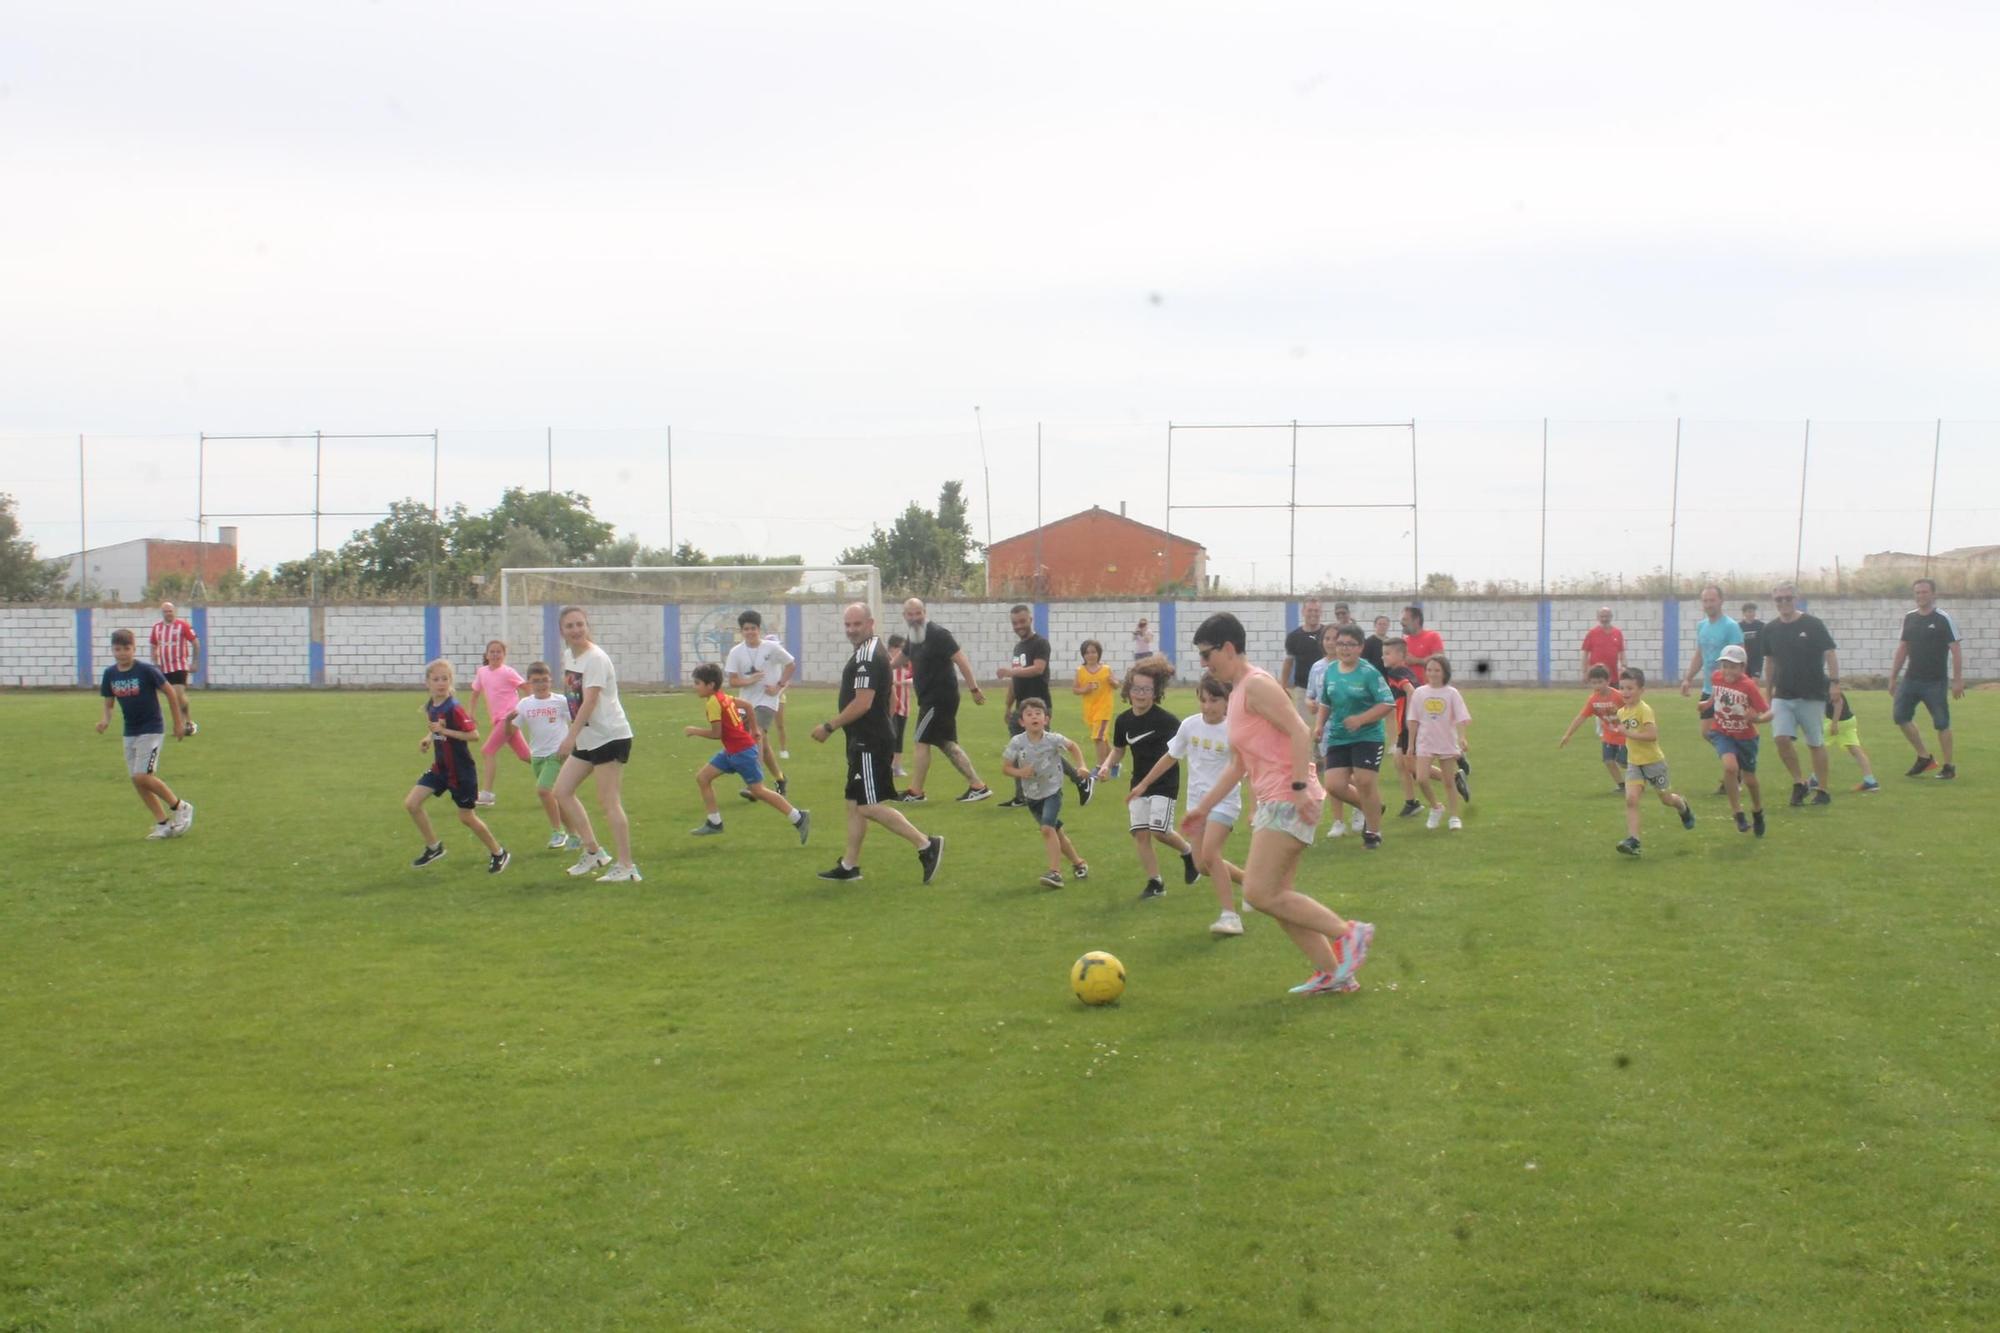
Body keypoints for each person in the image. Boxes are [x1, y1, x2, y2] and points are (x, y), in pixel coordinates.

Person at [1182, 612, 1374, 996]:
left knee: (1258, 892)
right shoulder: (1237, 693)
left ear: (1229, 648)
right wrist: (1204, 807)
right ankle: (1334, 975)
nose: (1205, 663)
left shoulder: (1256, 685)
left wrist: (1301, 788)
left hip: (1290, 797)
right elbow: (1239, 763)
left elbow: (1300, 731)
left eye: (1207, 654)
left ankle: (1349, 933)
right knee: (1277, 897)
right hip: (1274, 798)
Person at [812, 603, 945, 884]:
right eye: (847, 625)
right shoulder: (870, 651)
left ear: (870, 623)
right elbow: (889, 699)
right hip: (864, 739)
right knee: (854, 803)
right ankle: (850, 865)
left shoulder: (868, 657)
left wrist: (829, 726)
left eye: (856, 624)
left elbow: (862, 702)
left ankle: (926, 845)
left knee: (867, 806)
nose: (851, 630)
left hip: (868, 742)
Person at [1136, 673, 1248, 936]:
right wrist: (1143, 784)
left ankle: (1230, 916)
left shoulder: (1235, 730)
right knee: (1201, 866)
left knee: (1211, 854)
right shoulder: (1189, 725)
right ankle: (1251, 884)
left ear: (1227, 701)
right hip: (1197, 803)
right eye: (1203, 700)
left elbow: (1244, 768)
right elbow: (1170, 757)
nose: (1208, 706)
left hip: (1224, 802)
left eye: (1214, 700)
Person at [553, 606, 641, 882]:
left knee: (608, 801)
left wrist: (569, 737)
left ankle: (627, 867)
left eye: (580, 624)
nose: (576, 630)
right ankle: (594, 852)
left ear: (587, 626)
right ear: (562, 631)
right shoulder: (570, 655)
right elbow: (574, 698)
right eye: (570, 626)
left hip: (610, 736)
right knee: (562, 791)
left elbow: (590, 701)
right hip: (588, 737)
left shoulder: (596, 659)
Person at [1102, 655, 1200, 899]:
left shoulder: (1166, 721)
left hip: (1165, 783)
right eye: (1136, 688)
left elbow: (1176, 753)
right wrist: (1105, 766)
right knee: (1141, 833)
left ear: (1155, 692)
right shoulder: (1123, 720)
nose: (1141, 694)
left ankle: (1189, 853)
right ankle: (1155, 883)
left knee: (1159, 831)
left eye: (1147, 689)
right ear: (1128, 689)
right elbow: (1119, 749)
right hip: (1138, 783)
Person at [402, 658, 509, 873]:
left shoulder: (454, 708)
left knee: (466, 817)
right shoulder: (432, 705)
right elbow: (437, 727)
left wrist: (444, 733)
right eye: (436, 679)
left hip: (461, 772)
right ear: (428, 683)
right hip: (440, 768)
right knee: (412, 804)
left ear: (450, 681)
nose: (441, 683)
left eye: (445, 678)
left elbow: (474, 735)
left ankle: (499, 852)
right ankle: (434, 847)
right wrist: (429, 738)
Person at [686, 662, 810, 844]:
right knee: (703, 778)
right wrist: (754, 729)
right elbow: (748, 706)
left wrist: (694, 730)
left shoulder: (714, 702)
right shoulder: (723, 697)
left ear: (710, 685)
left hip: (742, 752)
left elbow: (716, 733)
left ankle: (798, 817)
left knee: (758, 790)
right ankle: (714, 822)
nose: (694, 687)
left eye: (697, 683)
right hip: (731, 751)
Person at [97, 627, 193, 839]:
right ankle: (162, 823)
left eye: (127, 648)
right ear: (112, 650)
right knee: (136, 779)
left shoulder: (146, 670)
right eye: (118, 649)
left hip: (151, 729)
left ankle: (180, 806)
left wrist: (178, 723)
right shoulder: (110, 674)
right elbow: (109, 702)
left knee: (142, 776)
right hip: (130, 731)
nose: (122, 653)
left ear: (134, 648)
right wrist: (105, 719)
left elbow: (170, 692)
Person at [897, 598, 993, 803]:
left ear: (925, 612)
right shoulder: (913, 637)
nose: (914, 618)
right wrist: (880, 669)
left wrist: (974, 688)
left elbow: (961, 659)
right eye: (910, 614)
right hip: (930, 699)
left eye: (918, 613)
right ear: (904, 616)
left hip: (939, 699)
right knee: (946, 743)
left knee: (921, 740)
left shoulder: (939, 634)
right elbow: (902, 659)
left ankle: (916, 792)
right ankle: (978, 786)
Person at [999, 603, 1090, 809]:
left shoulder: (1040, 644)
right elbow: (1015, 680)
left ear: (1030, 620)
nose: (1019, 626)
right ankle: (1021, 796)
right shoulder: (1018, 648)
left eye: (1022, 621)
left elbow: (1038, 669)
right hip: (1021, 708)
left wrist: (1011, 672)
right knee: (1018, 750)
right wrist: (1008, 705)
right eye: (1015, 623)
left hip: (1039, 707)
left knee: (1047, 751)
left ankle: (1080, 780)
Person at [1312, 624, 1394, 846]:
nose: (1344, 649)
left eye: (1350, 645)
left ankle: (1373, 833)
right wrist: (1319, 724)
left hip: (1368, 735)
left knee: (1364, 781)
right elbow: (1325, 702)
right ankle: (1373, 806)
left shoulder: (1368, 672)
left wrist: (1361, 719)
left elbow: (1387, 703)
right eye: (1340, 644)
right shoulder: (1331, 671)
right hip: (1339, 737)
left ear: (1360, 647)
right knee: (1334, 786)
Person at [1760, 583, 1839, 808]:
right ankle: (1799, 782)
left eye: (1787, 598)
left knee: (1815, 743)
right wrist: (1768, 692)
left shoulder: (1812, 624)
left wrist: (1834, 683)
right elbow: (1770, 661)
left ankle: (1822, 790)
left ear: (1796, 598)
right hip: (1782, 695)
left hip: (1812, 693)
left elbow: (1830, 653)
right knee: (1781, 739)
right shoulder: (1771, 629)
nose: (1783, 603)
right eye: (1779, 599)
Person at [1000, 698, 1089, 889]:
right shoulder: (1017, 742)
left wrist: (1081, 765)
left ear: (1046, 719)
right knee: (1056, 832)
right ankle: (1079, 863)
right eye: (1029, 714)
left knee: (1047, 829)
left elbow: (1073, 746)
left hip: (1052, 792)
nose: (1034, 717)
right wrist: (1020, 772)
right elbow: (1006, 768)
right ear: (1022, 721)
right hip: (1032, 796)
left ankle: (1055, 873)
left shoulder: (1053, 739)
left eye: (1038, 714)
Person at [1613, 667, 1697, 856]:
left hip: (1654, 763)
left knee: (1666, 799)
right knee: (1631, 799)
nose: (1625, 692)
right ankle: (1634, 841)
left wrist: (1628, 734)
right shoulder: (1621, 712)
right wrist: (1623, 750)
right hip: (1635, 764)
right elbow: (1628, 738)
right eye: (1622, 688)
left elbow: (1652, 735)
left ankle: (1682, 806)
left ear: (1641, 690)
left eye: (1630, 688)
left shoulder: (1645, 710)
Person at [1890, 577, 1964, 780]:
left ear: (1933, 594)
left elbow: (1955, 649)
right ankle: (1924, 757)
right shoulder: (1910, 618)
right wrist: (1893, 676)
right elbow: (1903, 647)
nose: (1921, 596)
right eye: (1917, 593)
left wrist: (1957, 680)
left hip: (1935, 682)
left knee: (1941, 723)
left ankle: (1949, 766)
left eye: (1924, 592)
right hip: (1911, 679)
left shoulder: (1943, 618)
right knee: (1900, 716)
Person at [500, 660, 579, 850]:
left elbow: (576, 723)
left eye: (545, 680)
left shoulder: (560, 701)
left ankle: (557, 832)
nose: (541, 685)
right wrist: (507, 721)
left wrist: (570, 744)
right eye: (536, 681)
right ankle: (574, 835)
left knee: (543, 790)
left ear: (551, 681)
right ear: (529, 683)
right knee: (556, 797)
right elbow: (509, 733)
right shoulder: (525, 704)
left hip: (557, 755)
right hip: (537, 757)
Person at [725, 610, 795, 798]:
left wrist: (779, 686)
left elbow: (791, 664)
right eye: (746, 629)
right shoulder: (736, 652)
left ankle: (755, 785)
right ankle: (780, 779)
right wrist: (749, 680)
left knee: (757, 735)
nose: (750, 632)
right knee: (762, 743)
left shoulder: (771, 648)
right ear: (741, 631)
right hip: (746, 703)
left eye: (753, 628)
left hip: (768, 701)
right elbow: (732, 681)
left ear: (759, 629)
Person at [1401, 604, 1467, 796]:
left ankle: (1453, 763)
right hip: (1413, 696)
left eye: (1405, 619)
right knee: (1416, 741)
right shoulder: (1404, 641)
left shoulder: (1432, 637)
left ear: (1416, 619)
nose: (1402, 623)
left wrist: (1417, 661)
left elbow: (1440, 660)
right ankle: (1454, 766)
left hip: (1434, 694)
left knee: (1434, 734)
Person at [1706, 644, 1770, 837]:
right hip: (1722, 731)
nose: (1727, 670)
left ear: (1742, 668)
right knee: (1730, 768)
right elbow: (1715, 695)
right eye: (1725, 665)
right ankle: (1737, 812)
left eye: (1733, 666)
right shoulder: (1716, 677)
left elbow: (1768, 712)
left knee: (1750, 780)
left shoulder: (1748, 686)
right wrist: (1706, 704)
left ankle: (1757, 811)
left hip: (1746, 737)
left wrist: (1756, 718)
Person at [1305, 625, 1357, 836]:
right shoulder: (1317, 667)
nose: (1330, 642)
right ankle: (1338, 821)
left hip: (1349, 727)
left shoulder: (1351, 667)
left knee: (1353, 775)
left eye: (1334, 639)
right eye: (1326, 638)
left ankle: (1360, 806)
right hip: (1326, 729)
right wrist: (1310, 703)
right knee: (1332, 776)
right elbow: (1311, 694)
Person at [1409, 655, 1472, 830]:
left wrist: (1462, 737)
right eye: (1429, 670)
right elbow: (1413, 719)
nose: (1433, 673)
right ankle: (1436, 807)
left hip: (1446, 742)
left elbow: (1461, 718)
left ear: (1444, 672)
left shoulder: (1452, 693)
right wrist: (1410, 744)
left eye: (1437, 670)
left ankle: (1454, 817)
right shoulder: (1419, 693)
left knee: (1448, 781)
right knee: (1421, 778)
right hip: (1425, 742)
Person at [470, 639, 530, 807]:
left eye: (499, 652)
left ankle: (487, 794)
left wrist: (525, 708)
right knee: (525, 756)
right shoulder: (482, 672)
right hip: (499, 720)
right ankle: (553, 777)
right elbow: (475, 693)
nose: (495, 654)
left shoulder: (508, 672)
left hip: (509, 717)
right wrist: (471, 713)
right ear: (487, 654)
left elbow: (527, 688)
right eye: (492, 651)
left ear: (504, 655)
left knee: (487, 750)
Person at [1557, 663, 1629, 794]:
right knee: (1608, 761)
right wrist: (1567, 734)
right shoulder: (1593, 700)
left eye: (1600, 682)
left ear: (1608, 681)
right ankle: (1622, 785)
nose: (1597, 686)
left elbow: (1633, 709)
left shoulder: (1618, 696)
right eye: (1594, 683)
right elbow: (1581, 717)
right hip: (1609, 736)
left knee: (1624, 763)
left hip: (1624, 736)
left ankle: (1641, 773)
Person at [1679, 583, 1743, 727]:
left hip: (1727, 688)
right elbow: (1700, 654)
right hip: (1709, 688)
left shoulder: (1730, 626)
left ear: (1721, 601)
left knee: (1726, 733)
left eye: (1712, 600)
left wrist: (1738, 687)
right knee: (1707, 732)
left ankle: (1737, 750)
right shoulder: (1702, 626)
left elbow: (1741, 658)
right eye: (1705, 601)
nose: (1708, 604)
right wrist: (1687, 679)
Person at [1380, 636, 1423, 818]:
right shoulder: (1406, 671)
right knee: (1399, 762)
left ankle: (1453, 778)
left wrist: (1410, 717)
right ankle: (1411, 803)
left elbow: (1411, 691)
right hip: (1405, 726)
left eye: (1387, 654)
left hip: (1407, 726)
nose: (1384, 657)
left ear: (1400, 654)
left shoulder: (1396, 673)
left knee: (1411, 765)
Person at [148, 599, 200, 736]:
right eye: (165, 611)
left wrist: (194, 662)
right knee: (174, 697)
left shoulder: (183, 626)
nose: (168, 613)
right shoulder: (157, 628)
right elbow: (153, 646)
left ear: (174, 611)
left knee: (177, 694)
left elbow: (195, 642)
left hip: (179, 665)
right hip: (164, 668)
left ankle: (181, 725)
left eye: (170, 611)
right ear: (162, 613)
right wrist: (155, 663)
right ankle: (188, 722)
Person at [1822, 686, 1880, 794]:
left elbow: (1838, 703)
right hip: (1849, 720)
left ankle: (1815, 779)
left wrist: (1834, 723)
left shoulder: (1827, 685)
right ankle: (1870, 781)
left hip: (1837, 722)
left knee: (1818, 747)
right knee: (1856, 750)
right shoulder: (1828, 684)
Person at [1072, 639, 1118, 775]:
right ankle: (1114, 764)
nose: (1090, 655)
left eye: (1093, 652)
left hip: (1104, 709)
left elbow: (1116, 684)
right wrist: (1084, 689)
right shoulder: (1080, 671)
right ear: (1083, 655)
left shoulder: (1106, 669)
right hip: (1089, 710)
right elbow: (1075, 689)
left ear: (1099, 653)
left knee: (1098, 737)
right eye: (1087, 653)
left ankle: (1100, 767)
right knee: (1102, 738)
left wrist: (1113, 682)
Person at [1284, 598, 1327, 720]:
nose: (1313, 613)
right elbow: (1288, 662)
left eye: (1316, 610)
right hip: (1302, 689)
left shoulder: (1328, 635)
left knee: (1326, 729)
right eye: (1310, 610)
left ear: (1321, 612)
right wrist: (1283, 686)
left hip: (1326, 689)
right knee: (1305, 728)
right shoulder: (1293, 637)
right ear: (1303, 612)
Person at [886, 634, 914, 777]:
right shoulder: (886, 662)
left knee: (899, 737)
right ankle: (887, 765)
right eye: (900, 647)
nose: (903, 651)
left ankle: (896, 766)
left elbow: (914, 679)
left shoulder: (907, 664)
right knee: (891, 735)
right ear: (892, 648)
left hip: (904, 706)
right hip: (890, 706)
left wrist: (903, 683)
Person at [1580, 606, 1625, 681]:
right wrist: (1585, 672)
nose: (1604, 619)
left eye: (1607, 616)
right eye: (1602, 616)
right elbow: (1585, 654)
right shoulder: (1592, 633)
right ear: (1598, 617)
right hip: (1597, 676)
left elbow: (1622, 652)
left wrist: (1624, 667)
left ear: (1611, 617)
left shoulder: (1618, 633)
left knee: (1615, 692)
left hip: (1613, 674)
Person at [1738, 602, 1767, 681]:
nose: (1752, 614)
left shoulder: (1761, 626)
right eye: (1749, 611)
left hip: (1757, 660)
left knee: (1754, 683)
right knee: (1744, 683)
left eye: (1753, 611)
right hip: (1743, 660)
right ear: (1744, 613)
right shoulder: (1739, 627)